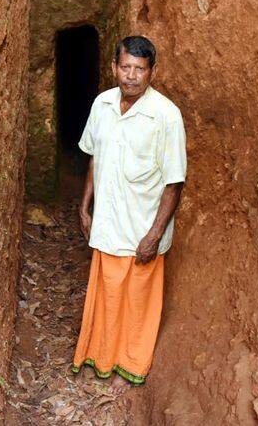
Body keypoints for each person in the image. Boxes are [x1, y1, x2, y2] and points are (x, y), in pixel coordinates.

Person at [71, 35, 187, 393]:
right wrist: (85, 205)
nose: (131, 76)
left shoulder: (166, 116)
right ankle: (102, 360)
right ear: (114, 68)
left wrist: (153, 235)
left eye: (140, 69)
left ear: (152, 71)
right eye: (125, 67)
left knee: (137, 306)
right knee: (106, 297)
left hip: (141, 231)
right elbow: (95, 156)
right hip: (108, 224)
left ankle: (131, 367)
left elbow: (174, 182)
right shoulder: (102, 104)